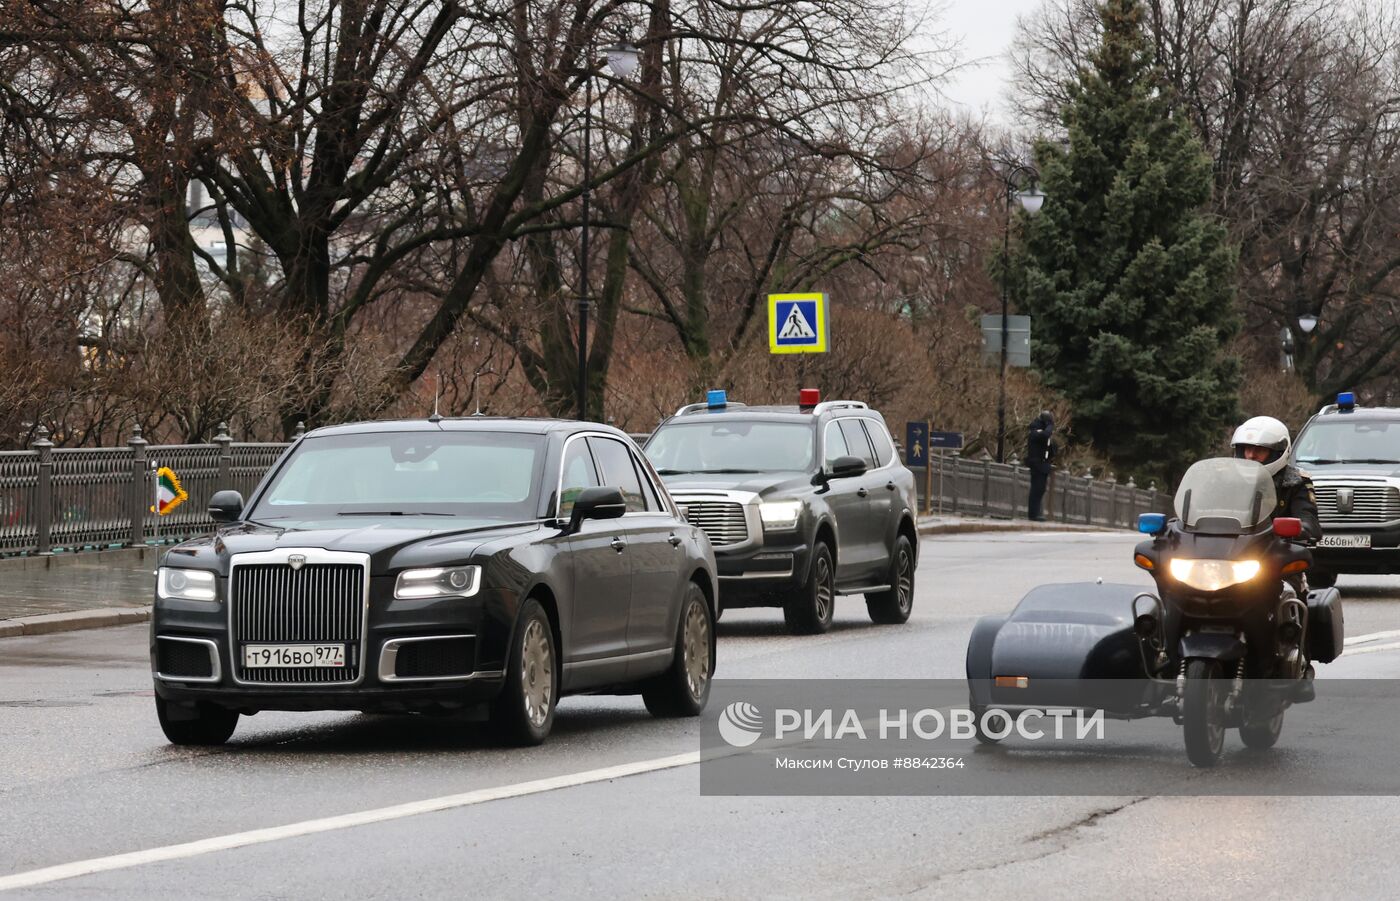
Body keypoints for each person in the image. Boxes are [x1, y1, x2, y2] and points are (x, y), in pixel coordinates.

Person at [1230, 415, 1321, 540]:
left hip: (1277, 548)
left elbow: (1309, 521)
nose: (1251, 455)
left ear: (1278, 452)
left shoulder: (1295, 482)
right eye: (1247, 448)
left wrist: (1301, 528)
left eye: (1259, 450)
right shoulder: (1229, 481)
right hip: (1233, 548)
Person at [1026, 411, 1055, 521]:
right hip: (1036, 463)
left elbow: (1049, 446)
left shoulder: (1042, 431)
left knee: (1041, 489)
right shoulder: (1035, 430)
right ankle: (1033, 514)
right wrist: (1050, 426)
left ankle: (1036, 513)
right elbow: (1045, 435)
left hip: (1043, 463)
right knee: (1036, 489)